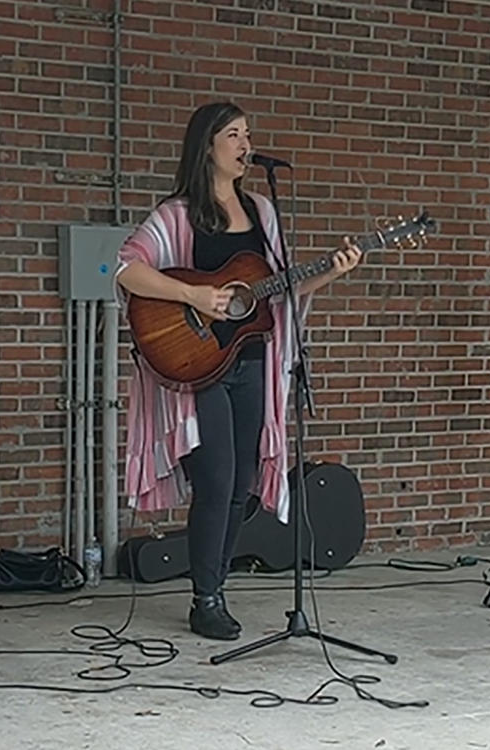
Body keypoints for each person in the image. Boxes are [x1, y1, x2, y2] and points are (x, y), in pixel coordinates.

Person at [114, 102, 361, 640]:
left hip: (251, 363)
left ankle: (216, 585)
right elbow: (126, 268)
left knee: (241, 485)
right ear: (207, 146)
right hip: (197, 366)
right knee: (216, 477)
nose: (246, 144)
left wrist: (329, 274)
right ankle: (205, 598)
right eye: (233, 134)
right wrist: (194, 294)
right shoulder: (178, 215)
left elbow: (275, 294)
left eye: (248, 134)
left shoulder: (263, 214)